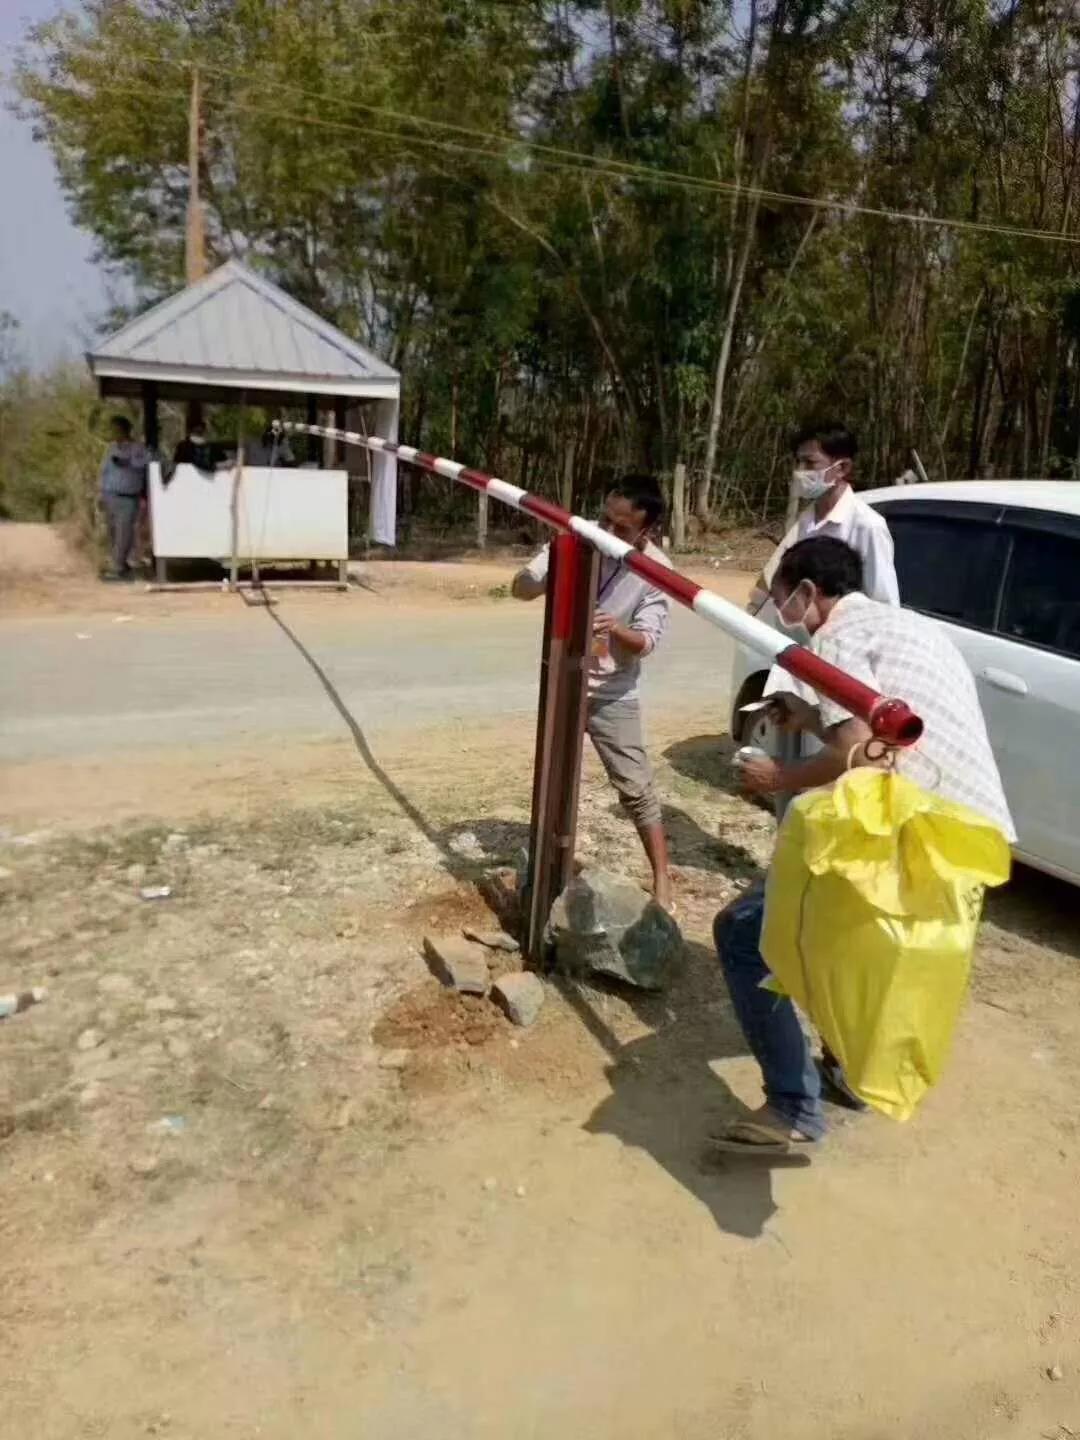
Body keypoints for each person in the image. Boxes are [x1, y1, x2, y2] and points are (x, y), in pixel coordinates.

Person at [713, 536, 1014, 1154]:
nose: (780, 614)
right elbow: (877, 730)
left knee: (745, 935)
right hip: (965, 831)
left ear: (805, 592)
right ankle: (848, 1072)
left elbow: (865, 754)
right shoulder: (904, 625)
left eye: (780, 599)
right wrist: (810, 716)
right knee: (846, 942)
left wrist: (781, 778)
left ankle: (794, 1106)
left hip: (913, 823)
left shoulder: (837, 638)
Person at [512, 475, 674, 910]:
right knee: (551, 782)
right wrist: (546, 569)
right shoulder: (580, 538)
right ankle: (544, 874)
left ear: (647, 532)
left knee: (635, 788)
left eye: (621, 529)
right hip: (565, 685)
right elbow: (521, 589)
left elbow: (647, 643)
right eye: (605, 519)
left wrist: (617, 629)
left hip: (612, 693)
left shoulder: (656, 570)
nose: (608, 532)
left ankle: (662, 880)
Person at [748, 421, 899, 614]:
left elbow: (884, 606)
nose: (801, 472)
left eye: (810, 463)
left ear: (842, 467)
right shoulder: (808, 519)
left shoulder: (867, 526)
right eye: (799, 462)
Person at [98, 416, 148, 581]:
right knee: (112, 532)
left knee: (123, 532)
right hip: (110, 494)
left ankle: (117, 567)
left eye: (116, 429)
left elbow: (141, 465)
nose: (114, 432)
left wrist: (127, 462)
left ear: (125, 430)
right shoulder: (111, 448)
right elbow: (104, 471)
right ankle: (120, 564)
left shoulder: (137, 448)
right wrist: (101, 492)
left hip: (128, 496)